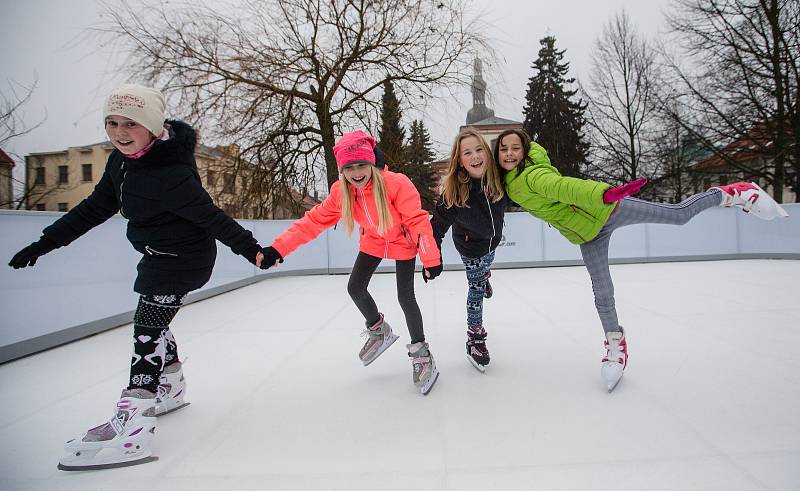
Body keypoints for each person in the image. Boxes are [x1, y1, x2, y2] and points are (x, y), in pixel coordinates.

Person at [8, 84, 267, 470]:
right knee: (154, 323)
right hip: (155, 256)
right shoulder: (121, 163)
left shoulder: (172, 173)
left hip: (183, 260)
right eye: (112, 123)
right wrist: (45, 243)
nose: (119, 132)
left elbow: (211, 216)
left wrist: (253, 250)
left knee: (146, 330)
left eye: (130, 123)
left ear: (151, 125)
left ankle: (134, 422)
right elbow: (93, 208)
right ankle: (171, 385)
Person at [494, 128, 788, 392]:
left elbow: (565, 187)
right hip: (587, 235)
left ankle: (732, 192)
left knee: (678, 215)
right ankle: (615, 345)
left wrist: (604, 193)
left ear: (524, 151)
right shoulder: (510, 182)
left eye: (515, 148)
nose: (509, 153)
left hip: (607, 210)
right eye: (504, 149)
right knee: (602, 294)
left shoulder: (533, 176)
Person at [260, 130, 442, 395]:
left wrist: (430, 257)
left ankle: (421, 353)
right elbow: (312, 222)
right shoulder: (341, 193)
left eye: (361, 165)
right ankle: (379, 331)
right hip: (373, 242)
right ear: (342, 171)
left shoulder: (396, 183)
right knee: (355, 288)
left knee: (405, 297)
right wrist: (278, 249)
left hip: (404, 243)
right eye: (349, 168)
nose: (356, 173)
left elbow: (416, 221)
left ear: (371, 163)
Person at [431, 128, 508, 372]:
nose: (474, 156)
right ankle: (475, 337)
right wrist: (433, 258)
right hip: (469, 247)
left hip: (492, 243)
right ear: (460, 161)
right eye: (467, 153)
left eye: (478, 150)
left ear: (486, 153)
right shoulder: (454, 192)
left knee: (486, 268)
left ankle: (485, 277)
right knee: (475, 289)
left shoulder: (499, 181)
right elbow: (436, 227)